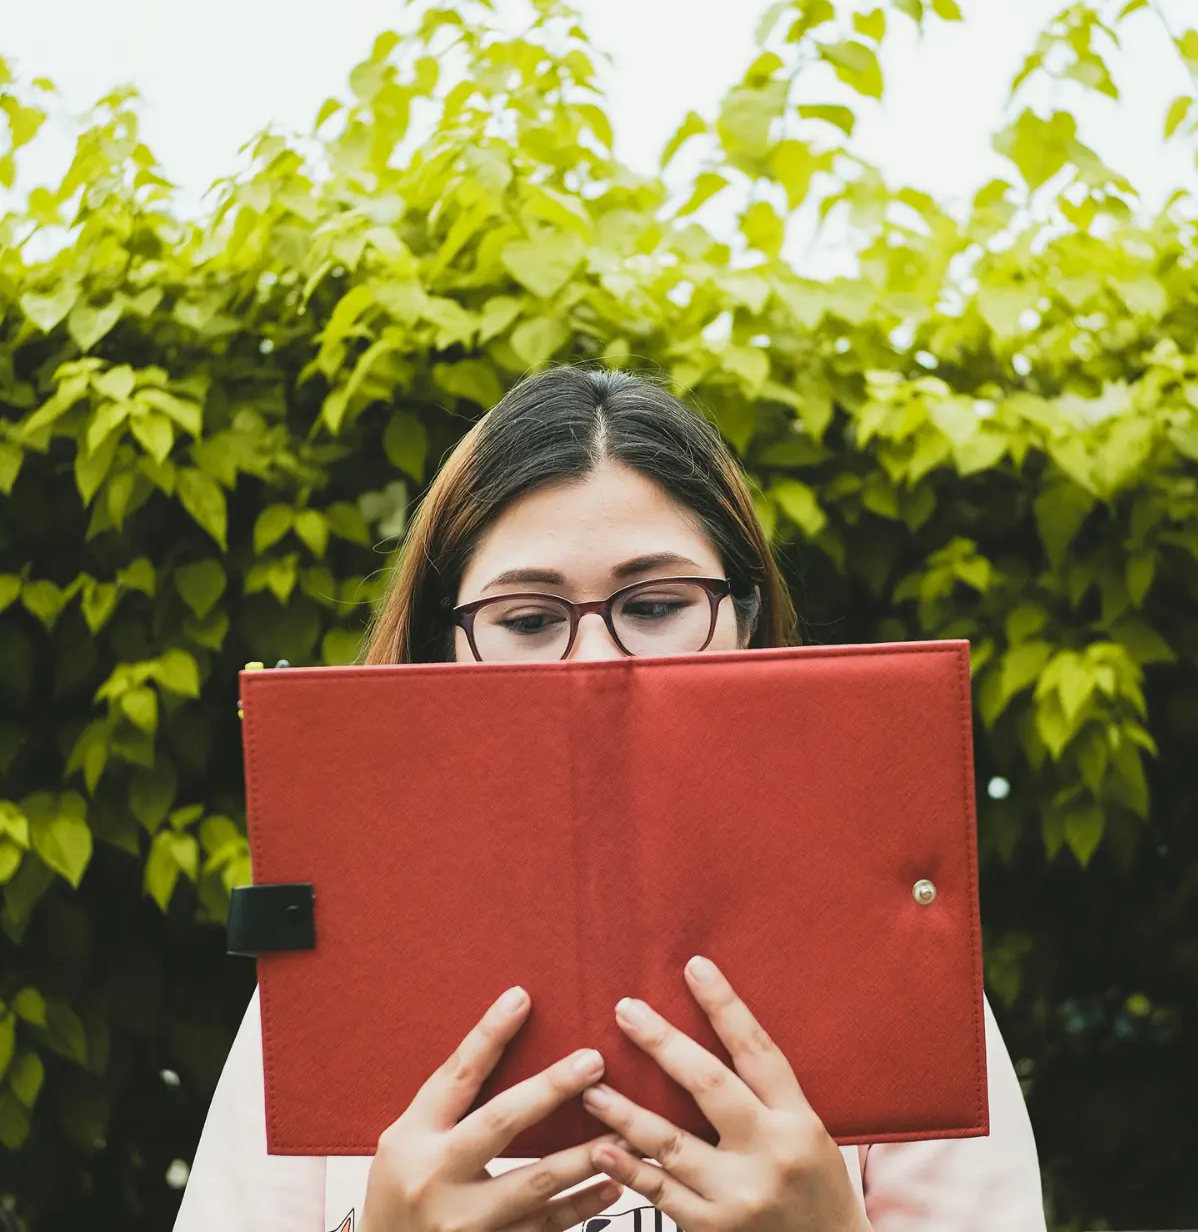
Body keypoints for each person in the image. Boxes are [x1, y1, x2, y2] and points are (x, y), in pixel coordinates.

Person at [174, 366, 1047, 1232]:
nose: (595, 663)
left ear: (746, 623)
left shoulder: (893, 972)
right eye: (527, 619)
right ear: (446, 649)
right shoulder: (334, 991)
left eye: (658, 603)